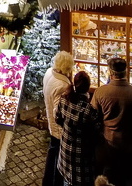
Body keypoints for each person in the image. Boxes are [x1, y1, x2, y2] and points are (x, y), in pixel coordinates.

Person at [90, 58, 132, 186]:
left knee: (110, 179)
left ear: (111, 73)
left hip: (111, 146)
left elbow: (92, 119)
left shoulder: (100, 92)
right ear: (126, 73)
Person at [55, 71, 102, 186]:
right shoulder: (89, 110)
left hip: (65, 155)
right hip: (82, 160)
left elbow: (57, 119)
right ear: (88, 87)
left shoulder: (64, 99)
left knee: (66, 182)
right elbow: (97, 132)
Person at [42, 51, 74, 186]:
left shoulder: (49, 73)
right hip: (59, 129)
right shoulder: (62, 86)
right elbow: (58, 111)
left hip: (52, 125)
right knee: (58, 159)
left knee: (53, 151)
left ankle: (48, 181)